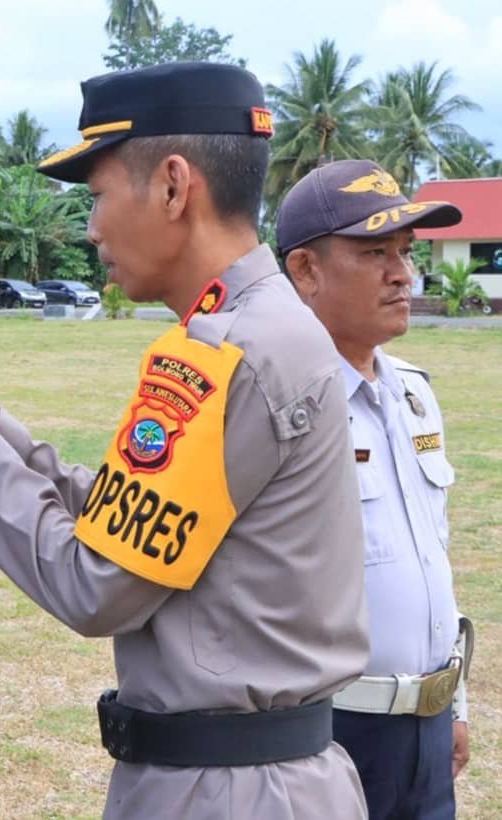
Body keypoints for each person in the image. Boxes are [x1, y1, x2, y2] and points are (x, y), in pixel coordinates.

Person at [0, 62, 370, 819]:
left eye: (101, 194)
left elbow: (95, 582)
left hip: (227, 789)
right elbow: (131, 515)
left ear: (174, 186)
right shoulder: (262, 325)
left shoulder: (222, 352)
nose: (91, 226)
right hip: (261, 777)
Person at [277, 159, 473, 820]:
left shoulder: (412, 395)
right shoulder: (280, 404)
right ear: (305, 271)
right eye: (375, 253)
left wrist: (454, 704)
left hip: (427, 726)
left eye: (406, 252)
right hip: (326, 733)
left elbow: (432, 556)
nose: (403, 273)